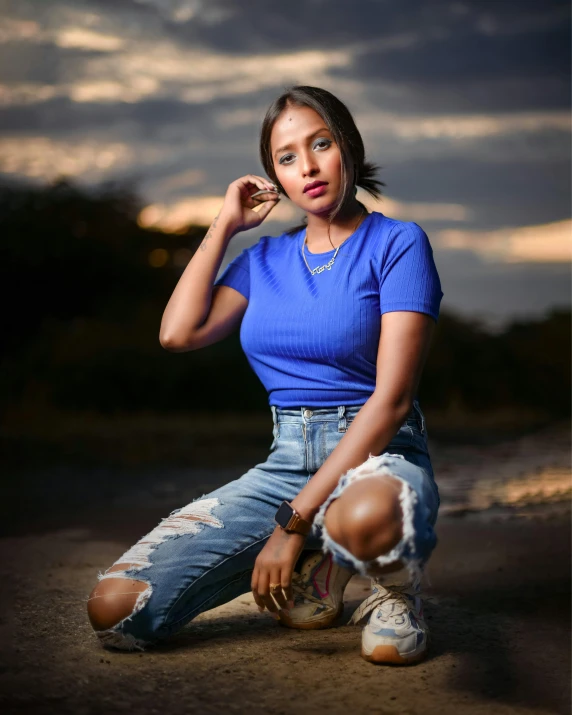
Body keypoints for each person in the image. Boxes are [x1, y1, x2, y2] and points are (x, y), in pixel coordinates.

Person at [86, 85, 443, 665]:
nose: (307, 166)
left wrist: (292, 524)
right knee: (120, 611)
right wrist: (226, 225)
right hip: (286, 459)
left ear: (348, 147)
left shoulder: (398, 243)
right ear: (274, 174)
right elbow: (177, 333)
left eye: (321, 144)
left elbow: (393, 401)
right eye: (286, 157)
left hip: (379, 455)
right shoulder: (262, 260)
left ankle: (394, 590)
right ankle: (325, 558)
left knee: (366, 524)